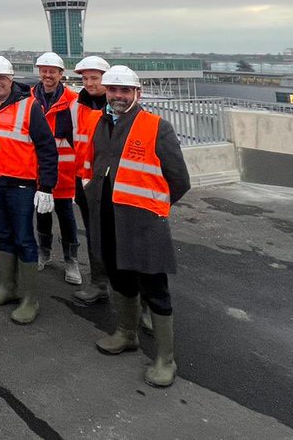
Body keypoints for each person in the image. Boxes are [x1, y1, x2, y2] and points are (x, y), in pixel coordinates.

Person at [87, 66, 190, 388]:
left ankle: (165, 358)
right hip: (109, 217)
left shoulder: (157, 126)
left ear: (137, 93)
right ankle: (126, 333)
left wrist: (155, 208)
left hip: (144, 221)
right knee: (120, 278)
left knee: (154, 287)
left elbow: (179, 180)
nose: (118, 96)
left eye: (124, 91)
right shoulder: (103, 124)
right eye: (113, 90)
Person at [0, 56, 58, 325]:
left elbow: (46, 148)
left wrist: (46, 186)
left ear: (11, 78)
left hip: (21, 184)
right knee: (4, 233)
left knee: (24, 237)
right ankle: (8, 287)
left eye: (2, 77)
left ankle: (30, 299)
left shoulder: (29, 106)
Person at [31, 53, 81, 284]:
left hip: (65, 170)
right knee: (42, 212)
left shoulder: (73, 100)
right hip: (38, 168)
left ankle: (71, 260)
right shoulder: (30, 98)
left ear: (61, 74)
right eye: (44, 70)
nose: (47, 75)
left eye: (52, 71)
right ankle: (44, 251)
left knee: (65, 215)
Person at [70, 56, 111, 305]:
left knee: (120, 238)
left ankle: (136, 299)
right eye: (85, 79)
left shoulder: (117, 106)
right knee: (93, 233)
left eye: (94, 78)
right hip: (84, 180)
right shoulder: (77, 106)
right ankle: (99, 283)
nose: (89, 83)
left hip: (111, 182)